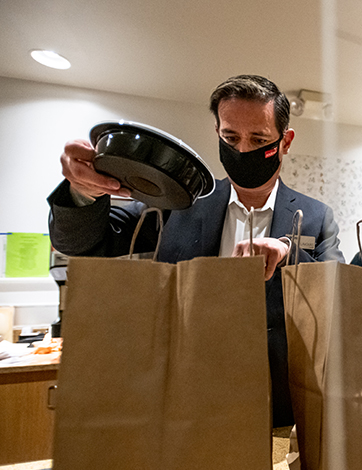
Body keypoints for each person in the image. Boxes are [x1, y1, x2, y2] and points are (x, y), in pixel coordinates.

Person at [48, 74, 345, 428]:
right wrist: (83, 191)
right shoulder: (181, 201)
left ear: (285, 142)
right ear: (217, 133)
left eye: (259, 139)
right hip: (183, 393)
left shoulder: (315, 216)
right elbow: (83, 243)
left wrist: (289, 253)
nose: (243, 150)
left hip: (280, 399)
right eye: (230, 137)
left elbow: (338, 295)